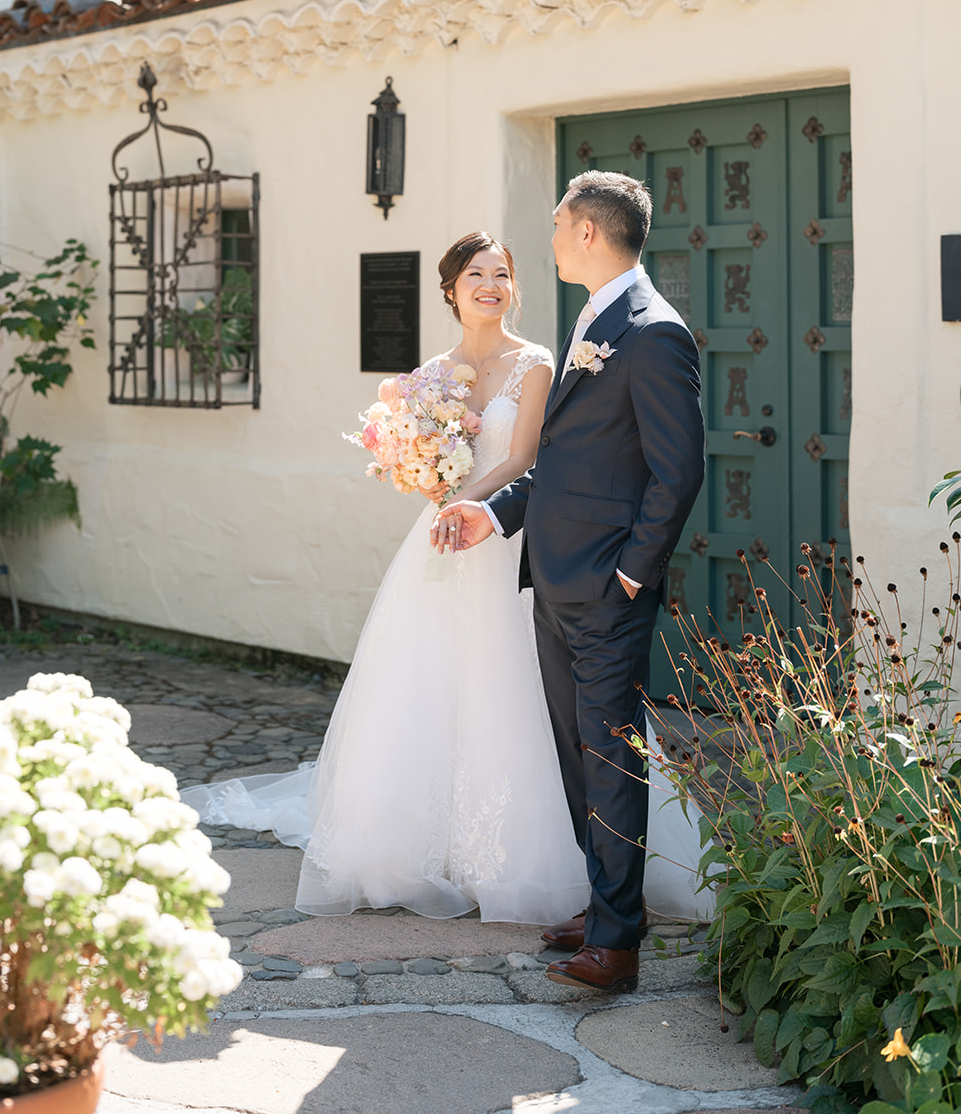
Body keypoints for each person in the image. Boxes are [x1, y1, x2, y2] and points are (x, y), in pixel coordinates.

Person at [184, 225, 711, 931]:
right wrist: (424, 471)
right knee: (427, 681)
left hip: (514, 541)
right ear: (452, 290)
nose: (492, 286)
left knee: (528, 696)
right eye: (477, 276)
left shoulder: (543, 362)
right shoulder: (434, 372)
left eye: (502, 274)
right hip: (453, 530)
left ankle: (560, 874)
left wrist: (473, 503)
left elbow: (533, 458)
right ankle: (427, 843)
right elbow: (420, 447)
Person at [434, 172, 706, 993]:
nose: (546, 239)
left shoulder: (655, 332)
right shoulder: (594, 319)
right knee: (577, 759)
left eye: (556, 225)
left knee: (611, 758)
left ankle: (617, 948)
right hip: (551, 577)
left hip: (604, 591)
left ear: (588, 232)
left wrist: (631, 576)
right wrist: (499, 514)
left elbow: (678, 471)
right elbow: (569, 462)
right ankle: (606, 905)